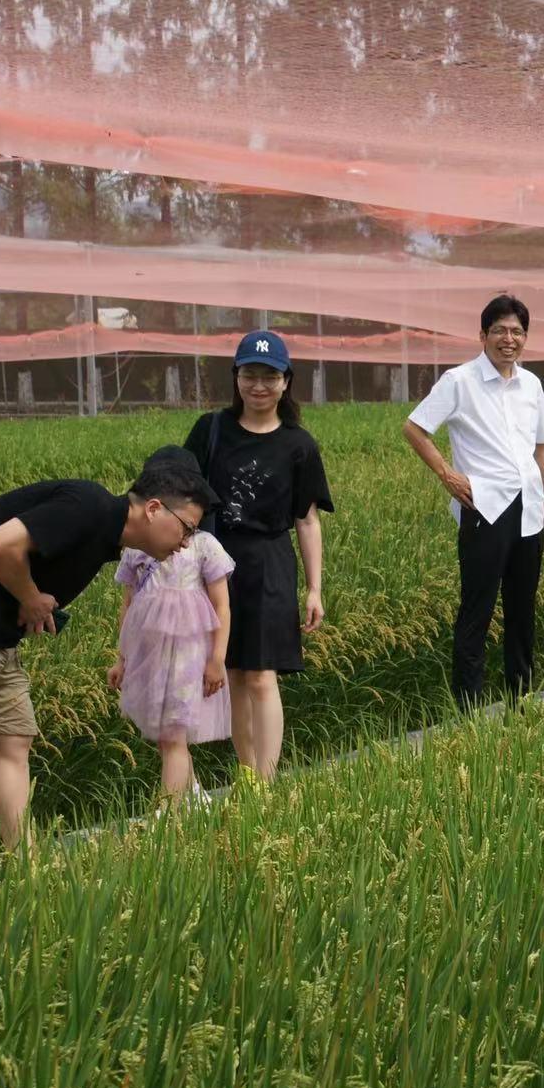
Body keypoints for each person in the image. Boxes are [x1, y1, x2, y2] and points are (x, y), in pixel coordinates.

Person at [0, 453, 217, 880]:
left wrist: (31, 602)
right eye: (186, 528)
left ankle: (26, 867)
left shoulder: (105, 538)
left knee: (13, 738)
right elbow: (1, 544)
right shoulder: (88, 507)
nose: (185, 542)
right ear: (155, 508)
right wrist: (31, 597)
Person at [187, 330, 332, 780]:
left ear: (286, 382)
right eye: (250, 374)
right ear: (236, 378)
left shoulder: (298, 445)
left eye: (270, 376)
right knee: (232, 674)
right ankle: (247, 775)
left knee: (262, 676)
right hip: (215, 563)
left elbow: (307, 520)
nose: (259, 386)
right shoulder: (211, 429)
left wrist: (314, 588)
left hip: (269, 563)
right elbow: (184, 495)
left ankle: (266, 783)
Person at [404, 296, 544, 709]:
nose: (509, 339)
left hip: (529, 510)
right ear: (483, 335)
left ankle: (520, 699)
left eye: (517, 332)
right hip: (484, 508)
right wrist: (446, 474)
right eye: (500, 331)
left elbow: (541, 445)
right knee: (478, 610)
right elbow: (415, 428)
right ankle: (469, 709)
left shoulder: (531, 385)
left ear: (525, 338)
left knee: (523, 609)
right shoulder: (460, 381)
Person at [111, 448, 234, 808]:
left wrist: (217, 659)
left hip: (189, 656)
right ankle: (192, 800)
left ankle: (171, 813)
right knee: (167, 737)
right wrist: (122, 658)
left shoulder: (204, 547)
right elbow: (128, 604)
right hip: (150, 656)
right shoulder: (137, 549)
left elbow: (222, 606)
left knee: (172, 735)